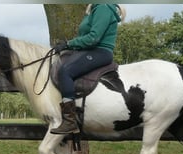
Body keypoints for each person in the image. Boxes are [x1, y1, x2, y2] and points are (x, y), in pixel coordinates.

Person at [50, 4, 126, 135]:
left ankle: (70, 121)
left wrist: (68, 44)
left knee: (65, 72)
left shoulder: (103, 7)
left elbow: (93, 38)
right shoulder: (95, 8)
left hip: (99, 51)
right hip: (88, 51)